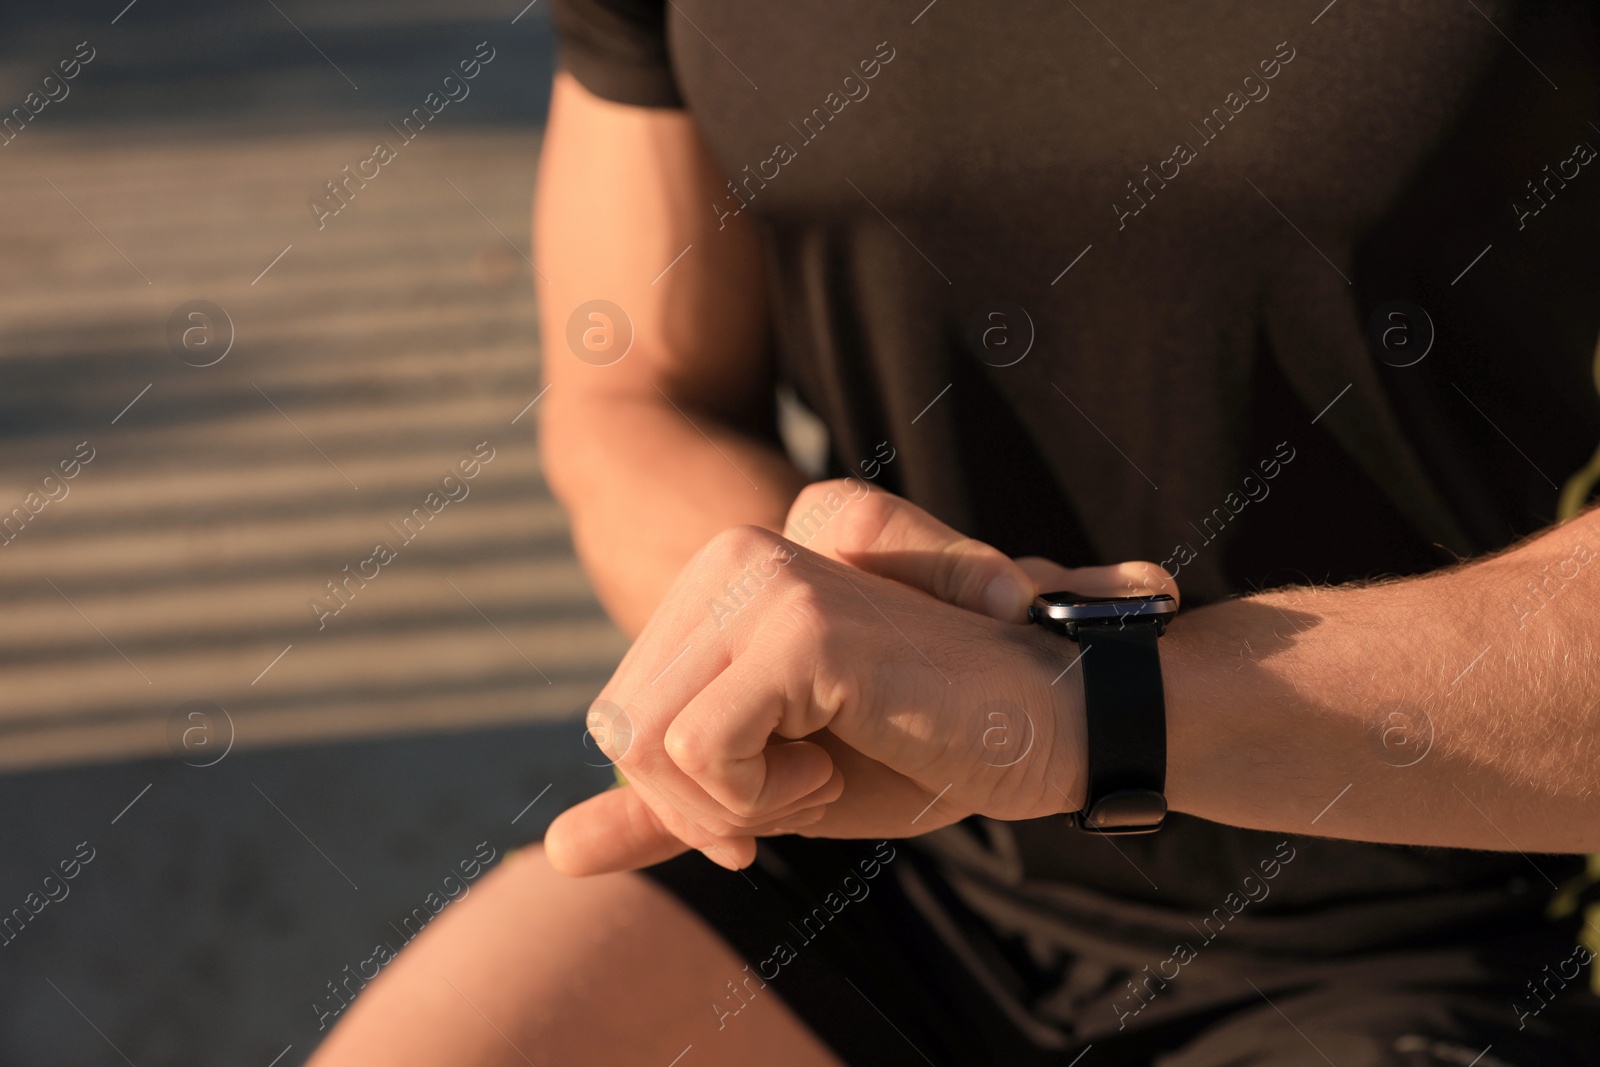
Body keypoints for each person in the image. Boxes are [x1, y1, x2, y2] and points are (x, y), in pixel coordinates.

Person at [308, 2, 1600, 1063]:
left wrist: (1068, 706)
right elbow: (637, 392)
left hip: (1488, 901)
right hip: (893, 851)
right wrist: (808, 645)